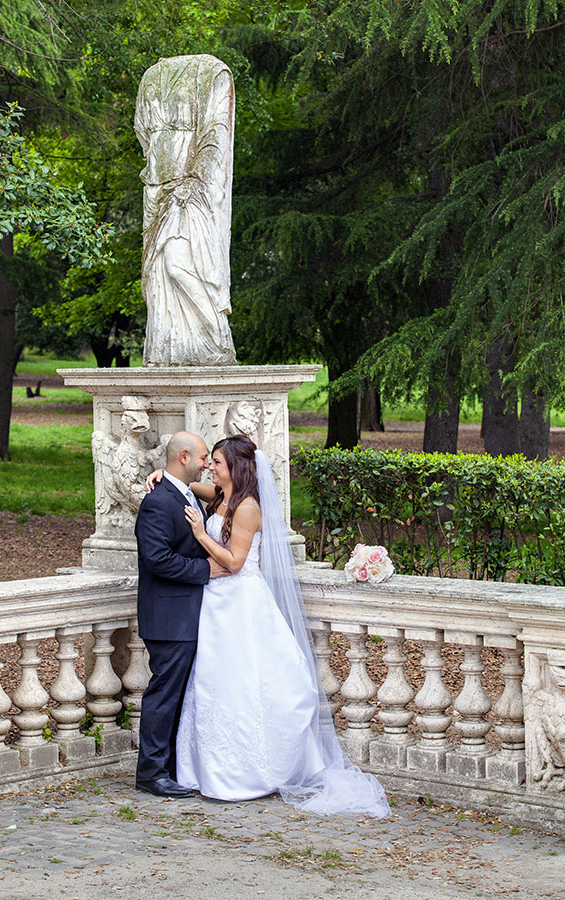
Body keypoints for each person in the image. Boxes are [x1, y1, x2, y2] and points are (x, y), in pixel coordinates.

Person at [145, 435, 390, 817]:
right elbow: (189, 482)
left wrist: (198, 535)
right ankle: (204, 768)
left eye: (219, 462)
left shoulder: (246, 508)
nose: (211, 465)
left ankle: (250, 770)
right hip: (215, 605)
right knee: (213, 683)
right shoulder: (220, 494)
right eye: (209, 461)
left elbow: (235, 562)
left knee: (247, 682)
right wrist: (164, 472)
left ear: (237, 468)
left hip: (240, 601)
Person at [134, 431, 230, 798]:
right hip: (169, 617)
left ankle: (171, 766)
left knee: (179, 695)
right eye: (204, 457)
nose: (208, 464)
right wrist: (205, 570)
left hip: (187, 614)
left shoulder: (183, 492)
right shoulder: (158, 502)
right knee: (164, 694)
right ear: (185, 456)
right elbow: (156, 559)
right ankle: (151, 773)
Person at [134, 54, 237, 366]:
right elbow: (144, 136)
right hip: (156, 189)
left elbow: (215, 135)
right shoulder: (151, 78)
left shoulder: (212, 73)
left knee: (180, 263)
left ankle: (214, 337)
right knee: (156, 275)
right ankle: (166, 348)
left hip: (191, 189)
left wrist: (196, 178)